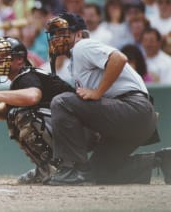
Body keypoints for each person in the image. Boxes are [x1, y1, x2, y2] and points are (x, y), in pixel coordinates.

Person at [44, 12, 169, 185]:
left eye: (62, 33)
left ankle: (73, 169)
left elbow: (119, 58)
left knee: (61, 102)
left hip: (133, 108)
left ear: (78, 34)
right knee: (98, 174)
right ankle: (160, 159)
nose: (57, 38)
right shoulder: (74, 63)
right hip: (135, 119)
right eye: (55, 34)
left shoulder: (82, 46)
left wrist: (97, 92)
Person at [0, 36, 76, 184]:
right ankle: (45, 168)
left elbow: (32, 97)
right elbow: (8, 111)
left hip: (81, 128)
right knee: (14, 115)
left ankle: (60, 168)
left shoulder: (27, 75)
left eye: (4, 57)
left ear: (19, 60)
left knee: (24, 115)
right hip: (68, 128)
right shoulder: (21, 80)